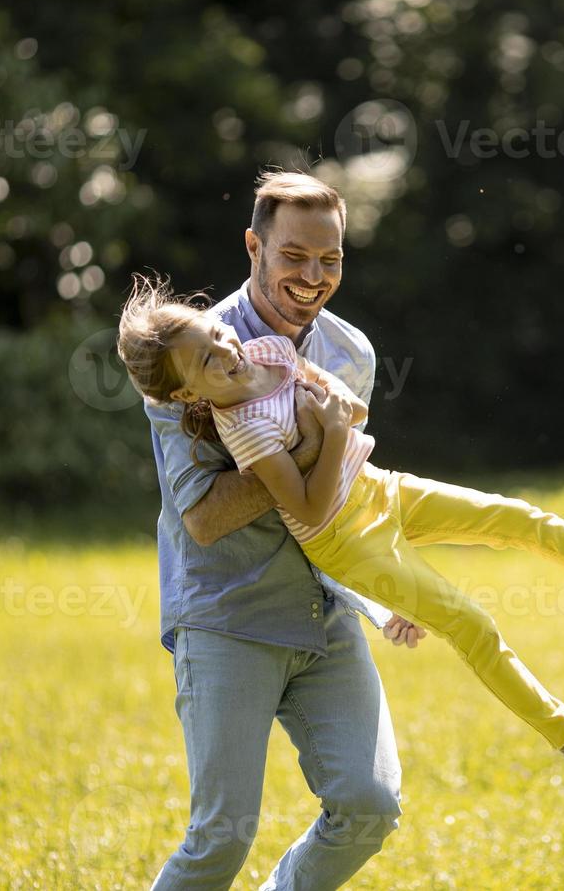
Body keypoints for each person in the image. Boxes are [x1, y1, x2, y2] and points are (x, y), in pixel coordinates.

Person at [118, 269, 564, 775]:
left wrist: (331, 424)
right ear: (184, 395)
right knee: (469, 623)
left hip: (380, 487)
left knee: (516, 517)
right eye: (206, 360)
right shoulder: (241, 427)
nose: (227, 350)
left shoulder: (269, 350)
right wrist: (326, 432)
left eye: (218, 333)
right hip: (344, 537)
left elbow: (353, 409)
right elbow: (306, 504)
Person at [143, 172, 422, 890]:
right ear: (254, 245)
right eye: (295, 255)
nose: (313, 275)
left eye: (330, 260)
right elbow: (202, 517)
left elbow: (340, 500)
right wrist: (305, 448)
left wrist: (384, 593)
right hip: (229, 618)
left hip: (322, 615)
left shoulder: (350, 353)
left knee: (369, 806)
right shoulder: (193, 352)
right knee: (219, 842)